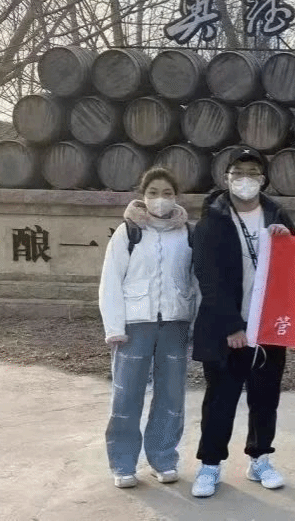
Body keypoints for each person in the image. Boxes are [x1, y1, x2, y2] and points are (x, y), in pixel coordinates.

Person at [189, 147, 295, 498]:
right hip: (227, 329)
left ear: (263, 180)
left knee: (265, 399)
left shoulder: (277, 215)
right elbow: (208, 278)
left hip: (268, 327)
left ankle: (260, 459)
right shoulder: (213, 219)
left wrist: (288, 241)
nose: (245, 179)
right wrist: (232, 325)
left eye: (253, 173)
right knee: (220, 400)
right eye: (238, 173)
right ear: (226, 178)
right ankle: (210, 465)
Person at [99, 167, 198, 489]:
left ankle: (163, 458)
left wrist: (196, 323)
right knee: (127, 396)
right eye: (153, 193)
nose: (160, 199)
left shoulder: (188, 233)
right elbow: (111, 280)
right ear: (143, 196)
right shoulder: (128, 232)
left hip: (175, 323)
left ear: (176, 197)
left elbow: (197, 281)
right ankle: (123, 463)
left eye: (167, 193)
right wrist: (114, 326)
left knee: (171, 397)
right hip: (135, 324)